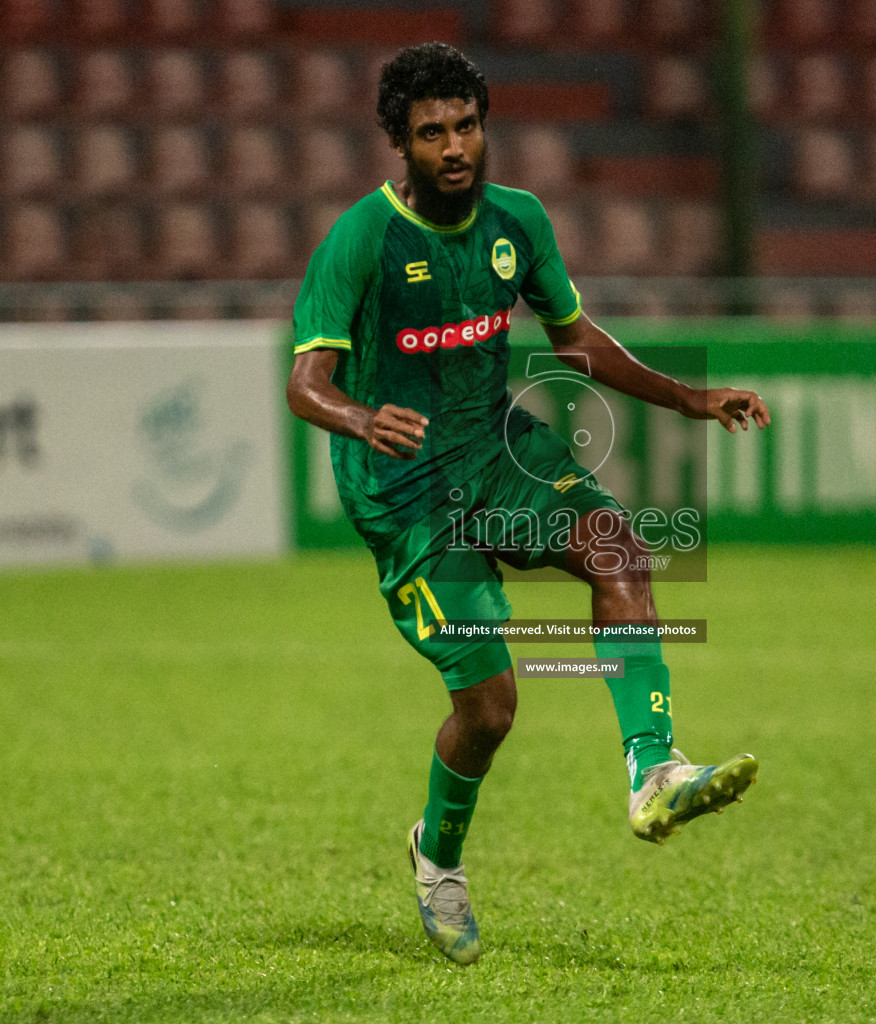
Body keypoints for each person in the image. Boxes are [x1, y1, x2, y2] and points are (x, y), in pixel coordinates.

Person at [286, 42, 771, 966]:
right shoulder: (361, 239)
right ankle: (438, 861)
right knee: (492, 710)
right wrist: (357, 417)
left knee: (618, 549)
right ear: (401, 144)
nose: (455, 146)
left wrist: (688, 396)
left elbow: (576, 338)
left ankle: (654, 769)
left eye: (466, 126)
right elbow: (304, 384)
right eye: (432, 133)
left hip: (497, 453)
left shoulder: (518, 221)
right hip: (407, 494)